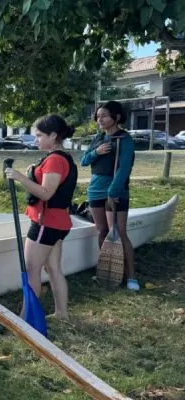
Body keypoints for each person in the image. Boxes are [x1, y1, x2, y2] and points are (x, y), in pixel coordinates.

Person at [3, 115, 78, 320]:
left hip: (46, 223)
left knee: (31, 270)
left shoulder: (55, 160)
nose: (36, 140)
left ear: (53, 135)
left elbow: (46, 193)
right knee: (53, 268)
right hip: (58, 222)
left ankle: (25, 319)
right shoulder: (59, 156)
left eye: (39, 135)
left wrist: (19, 177)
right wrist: (32, 173)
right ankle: (61, 313)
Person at [80, 101, 138, 291]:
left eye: (104, 115)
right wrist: (96, 152)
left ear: (117, 117)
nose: (100, 119)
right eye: (98, 116)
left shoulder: (124, 139)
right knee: (102, 231)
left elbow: (124, 168)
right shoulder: (98, 138)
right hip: (95, 190)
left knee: (119, 232)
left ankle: (131, 276)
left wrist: (113, 192)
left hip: (116, 190)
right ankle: (107, 271)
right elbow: (83, 161)